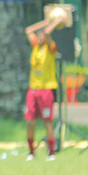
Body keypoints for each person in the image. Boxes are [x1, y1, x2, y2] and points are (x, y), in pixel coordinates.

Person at [24, 14, 65, 161]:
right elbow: (28, 30)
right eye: (39, 36)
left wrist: (57, 21)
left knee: (47, 121)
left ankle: (51, 152)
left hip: (46, 89)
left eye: (41, 36)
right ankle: (31, 152)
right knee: (30, 121)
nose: (39, 37)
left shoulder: (50, 49)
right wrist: (45, 22)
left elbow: (47, 34)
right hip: (33, 89)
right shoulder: (35, 47)